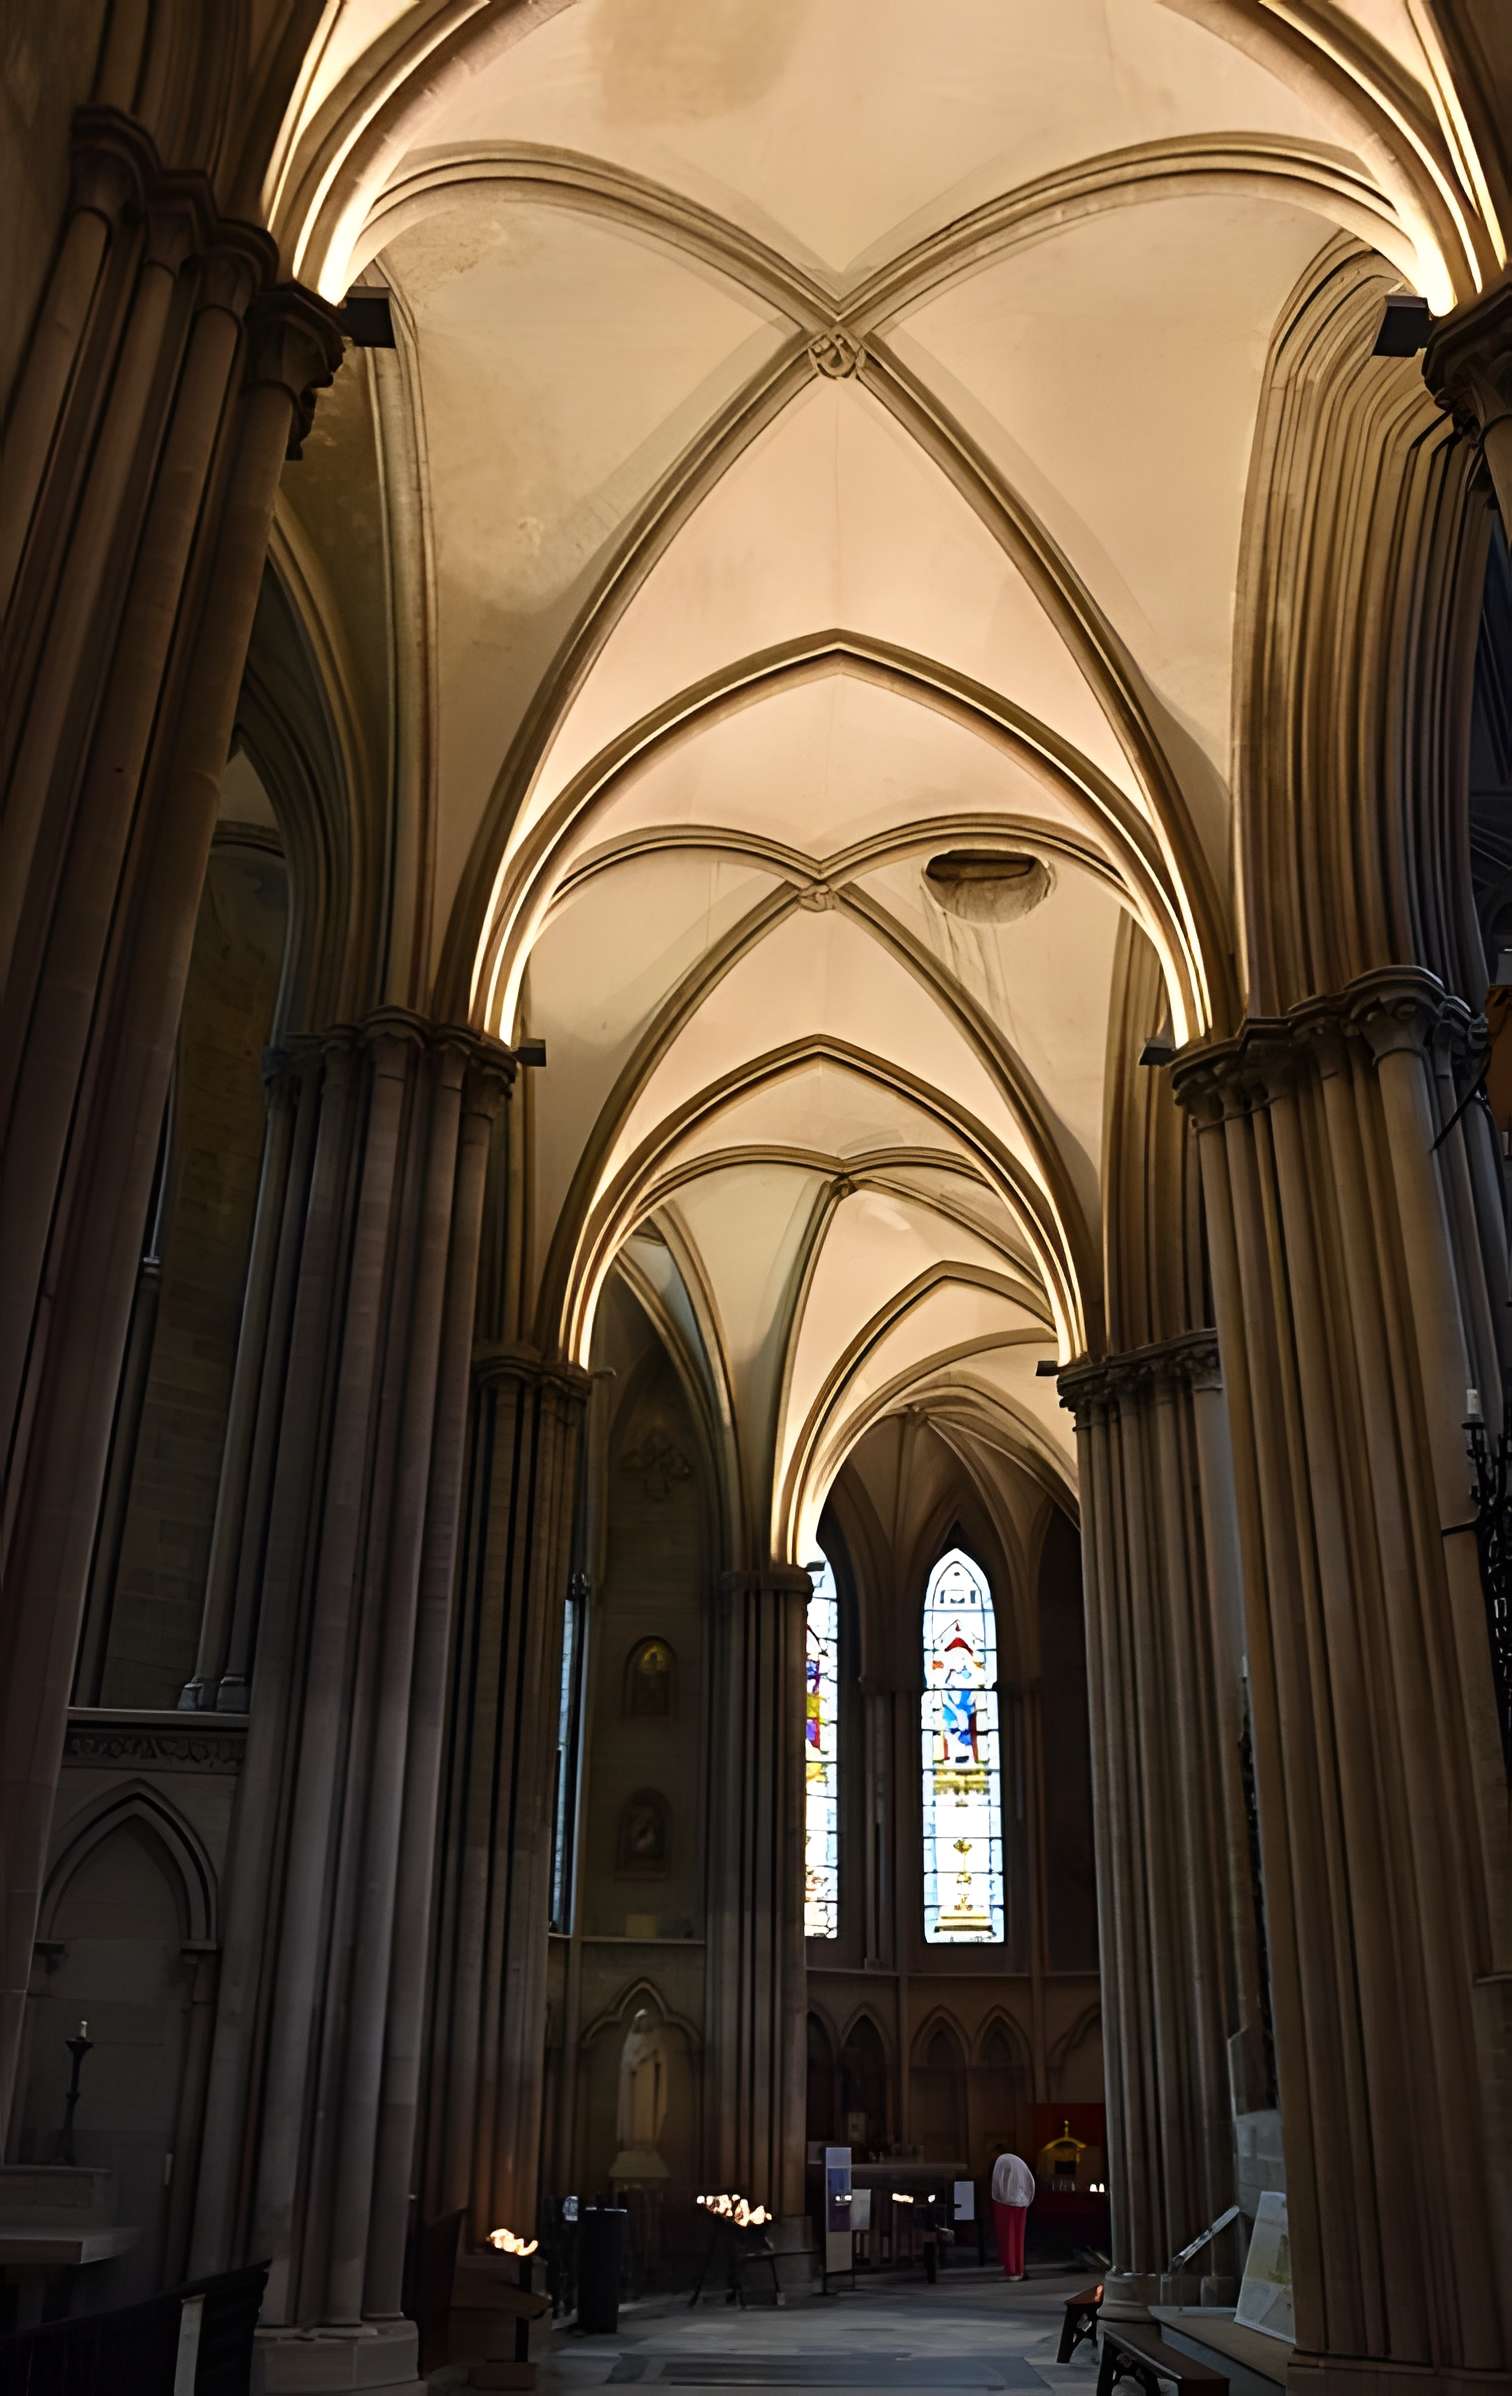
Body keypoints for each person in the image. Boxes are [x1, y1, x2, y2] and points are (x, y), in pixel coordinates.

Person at [990, 2149, 1035, 2279]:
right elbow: (1030, 2180)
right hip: (1022, 2200)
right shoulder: (1018, 2161)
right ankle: (1019, 2270)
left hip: (1005, 2201)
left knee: (1007, 2237)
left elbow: (997, 2181)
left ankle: (1011, 2271)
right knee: (1018, 2237)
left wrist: (998, 2196)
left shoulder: (1001, 2161)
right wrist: (1028, 2197)